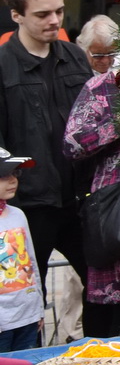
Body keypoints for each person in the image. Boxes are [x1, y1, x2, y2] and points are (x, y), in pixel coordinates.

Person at [0, 0, 93, 290]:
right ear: (17, 15)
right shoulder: (2, 65)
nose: (54, 20)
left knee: (99, 289)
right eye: (42, 14)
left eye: (59, 11)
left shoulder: (76, 57)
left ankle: (100, 342)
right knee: (24, 294)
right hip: (27, 206)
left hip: (81, 199)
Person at [64, 16, 120, 338]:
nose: (109, 61)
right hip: (114, 204)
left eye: (115, 52)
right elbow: (73, 143)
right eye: (100, 55)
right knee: (114, 310)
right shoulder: (99, 88)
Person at [0, 144, 43, 352]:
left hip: (26, 316)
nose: (13, 180)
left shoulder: (18, 215)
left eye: (14, 173)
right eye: (3, 175)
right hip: (2, 322)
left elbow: (32, 262)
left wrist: (39, 309)